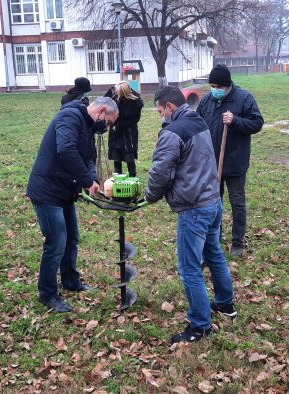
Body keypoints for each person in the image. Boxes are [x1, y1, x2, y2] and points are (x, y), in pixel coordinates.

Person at [145, 86, 236, 344]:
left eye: (160, 111)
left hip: (194, 207)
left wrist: (150, 195)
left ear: (170, 107)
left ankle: (199, 324)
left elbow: (161, 171)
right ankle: (225, 303)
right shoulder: (198, 121)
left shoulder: (172, 132)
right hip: (212, 200)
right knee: (214, 253)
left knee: (189, 268)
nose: (161, 116)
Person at [27, 97, 119, 313]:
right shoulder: (69, 117)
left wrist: (93, 179)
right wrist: (86, 181)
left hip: (65, 191)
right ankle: (47, 294)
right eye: (107, 122)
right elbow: (66, 149)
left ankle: (70, 280)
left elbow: (88, 158)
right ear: (102, 110)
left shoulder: (87, 128)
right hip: (47, 190)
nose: (106, 128)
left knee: (72, 238)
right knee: (56, 241)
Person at [196, 64, 264, 257]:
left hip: (235, 161)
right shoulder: (207, 100)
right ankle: (214, 238)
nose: (214, 89)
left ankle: (237, 241)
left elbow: (257, 123)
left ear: (227, 86)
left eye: (217, 86)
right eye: (212, 85)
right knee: (212, 203)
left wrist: (235, 121)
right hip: (212, 163)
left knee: (237, 202)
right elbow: (198, 123)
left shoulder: (244, 98)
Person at [104, 81, 143, 177]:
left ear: (124, 92)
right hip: (115, 132)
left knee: (129, 158)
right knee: (116, 157)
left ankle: (132, 179)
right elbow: (103, 103)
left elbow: (134, 120)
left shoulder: (135, 102)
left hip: (128, 132)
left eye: (118, 92)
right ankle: (118, 180)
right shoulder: (113, 94)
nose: (116, 94)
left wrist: (119, 126)